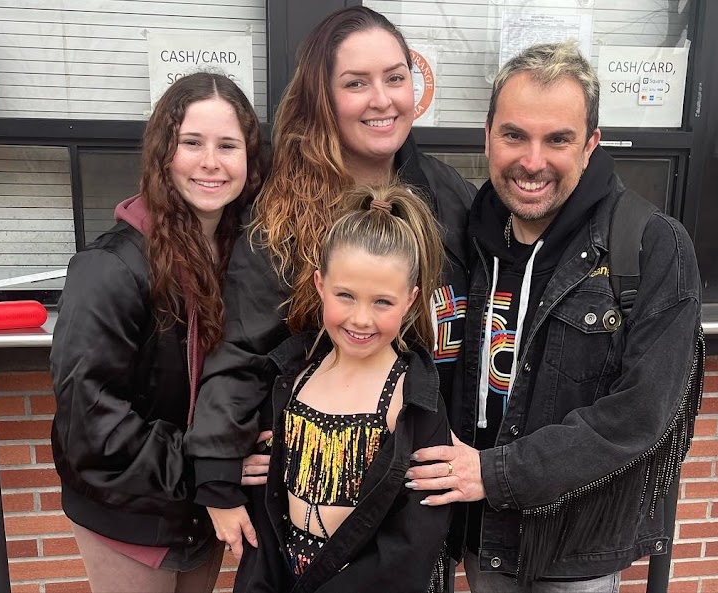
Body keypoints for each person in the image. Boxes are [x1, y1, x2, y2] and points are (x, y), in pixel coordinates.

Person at [188, 6, 474, 587]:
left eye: (395, 77)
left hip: (415, 500)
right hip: (313, 491)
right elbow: (242, 350)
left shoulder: (452, 199)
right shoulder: (281, 212)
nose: (382, 99)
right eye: (356, 83)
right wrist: (218, 469)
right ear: (323, 96)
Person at [406, 41, 704, 591]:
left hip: (572, 549)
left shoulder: (651, 244)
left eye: (558, 140)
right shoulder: (470, 238)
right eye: (514, 135)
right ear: (487, 136)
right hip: (480, 534)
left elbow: (641, 413)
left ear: (591, 145)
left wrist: (494, 473)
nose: (532, 161)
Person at [50, 72, 267, 593]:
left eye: (228, 145)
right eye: (191, 143)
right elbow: (90, 427)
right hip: (129, 516)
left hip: (203, 508)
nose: (211, 161)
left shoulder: (246, 259)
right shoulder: (109, 268)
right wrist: (204, 466)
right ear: (163, 153)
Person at [250, 184, 453, 592]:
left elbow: (414, 542)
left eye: (382, 302)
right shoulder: (292, 379)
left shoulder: (413, 400)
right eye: (345, 295)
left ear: (411, 301)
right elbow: (269, 508)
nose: (361, 319)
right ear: (320, 284)